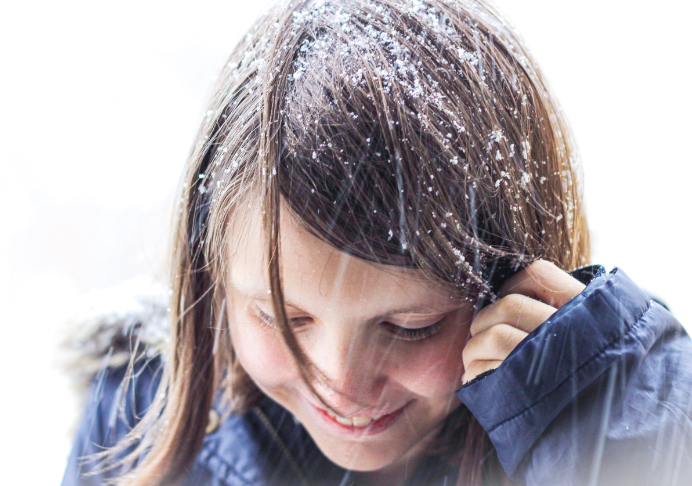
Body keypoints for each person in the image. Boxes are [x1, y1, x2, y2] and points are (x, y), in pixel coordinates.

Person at [60, 0, 692, 485]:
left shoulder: (628, 421)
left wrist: (609, 426)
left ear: (518, 281)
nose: (340, 380)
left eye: (411, 325)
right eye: (280, 315)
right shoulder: (137, 415)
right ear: (213, 275)